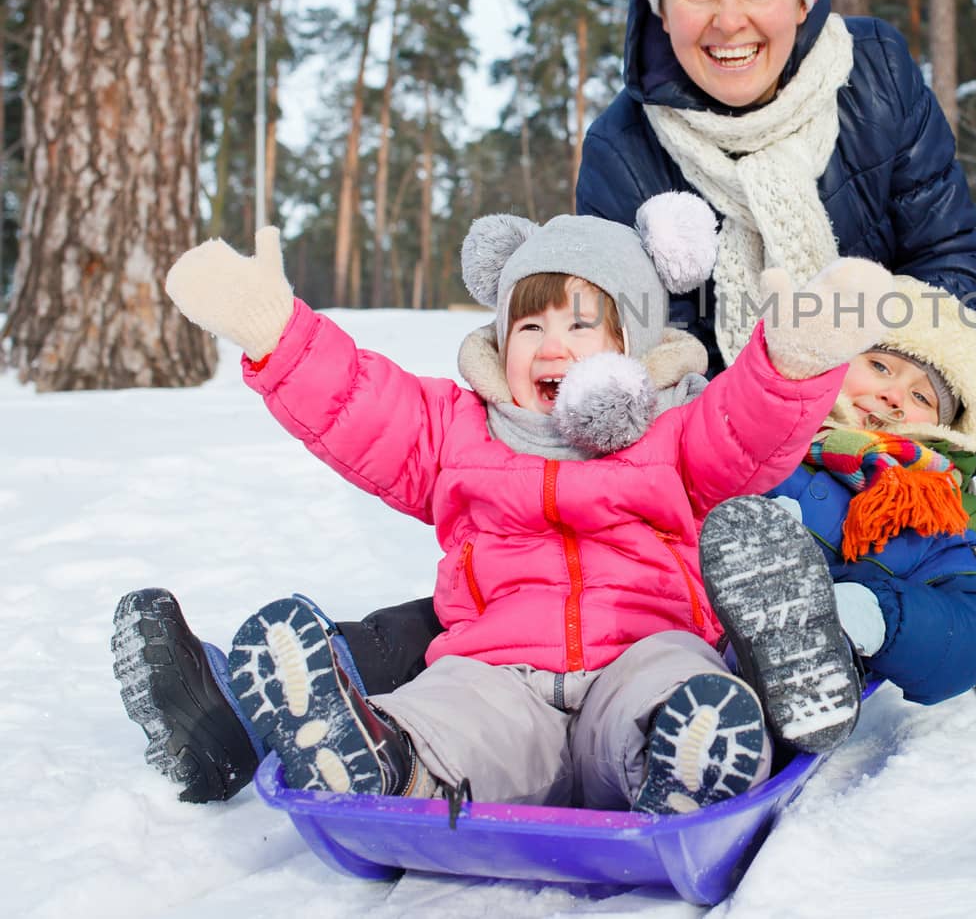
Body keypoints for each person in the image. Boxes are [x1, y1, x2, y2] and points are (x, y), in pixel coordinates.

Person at [112, 0, 976, 803]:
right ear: (660, 0)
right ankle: (253, 707)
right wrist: (770, 402)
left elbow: (950, 250)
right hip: (734, 436)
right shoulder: (627, 142)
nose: (727, 19)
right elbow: (634, 338)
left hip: (890, 381)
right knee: (546, 571)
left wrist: (887, 374)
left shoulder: (873, 74)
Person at [151, 195, 893, 814]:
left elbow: (744, 429)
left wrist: (794, 360)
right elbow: (360, 405)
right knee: (449, 712)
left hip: (637, 654)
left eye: (581, 325)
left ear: (632, 346)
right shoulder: (460, 428)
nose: (550, 346)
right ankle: (383, 760)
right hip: (499, 670)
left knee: (676, 687)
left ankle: (688, 761)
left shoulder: (672, 430)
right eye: (529, 326)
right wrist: (278, 336)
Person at [699, 276, 976, 750]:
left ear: (944, 429)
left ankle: (775, 693)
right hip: (675, 623)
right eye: (879, 366)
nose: (894, 397)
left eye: (921, 397)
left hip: (785, 670)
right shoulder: (751, 427)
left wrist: (874, 613)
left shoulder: (936, 511)